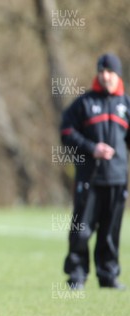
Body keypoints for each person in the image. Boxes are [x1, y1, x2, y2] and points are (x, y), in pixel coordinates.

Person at [61, 53, 130, 290]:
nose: (105, 76)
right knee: (82, 229)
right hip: (90, 178)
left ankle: (108, 275)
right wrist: (92, 148)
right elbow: (67, 133)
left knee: (111, 231)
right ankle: (77, 275)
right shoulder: (85, 103)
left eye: (109, 71)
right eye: (101, 71)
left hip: (117, 178)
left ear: (117, 74)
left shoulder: (126, 105)